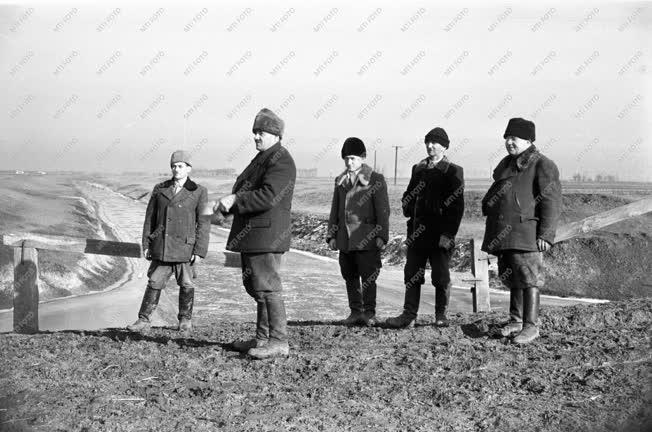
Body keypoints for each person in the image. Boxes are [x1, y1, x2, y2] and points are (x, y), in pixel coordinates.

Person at [216, 108, 296, 359]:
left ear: (275, 134)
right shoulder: (263, 158)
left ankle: (279, 341)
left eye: (260, 132)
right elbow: (247, 189)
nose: (256, 137)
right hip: (254, 235)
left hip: (266, 235)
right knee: (257, 287)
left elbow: (269, 196)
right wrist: (228, 207)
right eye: (254, 132)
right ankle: (262, 339)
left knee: (268, 287)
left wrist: (235, 199)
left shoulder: (280, 159)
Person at [481, 117, 561, 344]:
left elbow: (551, 201)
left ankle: (531, 326)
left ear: (528, 140)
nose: (509, 142)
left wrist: (546, 234)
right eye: (507, 138)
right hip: (506, 233)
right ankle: (515, 321)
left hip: (527, 233)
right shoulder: (507, 165)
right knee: (513, 278)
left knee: (529, 279)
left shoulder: (542, 164)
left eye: (514, 138)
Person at [386, 127, 464, 328]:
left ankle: (441, 315)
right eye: (427, 142)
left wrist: (448, 234)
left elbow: (456, 208)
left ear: (445, 147)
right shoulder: (418, 169)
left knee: (441, 276)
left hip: (439, 236)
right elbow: (409, 194)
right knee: (412, 274)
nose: (430, 146)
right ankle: (409, 315)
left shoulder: (453, 171)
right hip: (417, 234)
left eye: (435, 143)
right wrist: (408, 206)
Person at [128, 150, 210, 334]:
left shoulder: (199, 191)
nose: (176, 169)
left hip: (185, 249)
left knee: (187, 284)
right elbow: (150, 219)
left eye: (180, 166)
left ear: (189, 168)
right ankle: (143, 320)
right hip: (162, 246)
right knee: (154, 282)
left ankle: (185, 320)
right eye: (173, 166)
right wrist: (147, 244)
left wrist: (199, 250)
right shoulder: (160, 189)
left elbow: (204, 223)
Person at [326, 137, 390, 326]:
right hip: (345, 238)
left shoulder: (375, 179)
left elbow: (383, 211)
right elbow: (334, 209)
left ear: (363, 157)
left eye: (353, 158)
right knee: (349, 275)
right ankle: (355, 312)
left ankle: (369, 313)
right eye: (346, 158)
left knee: (368, 276)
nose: (349, 162)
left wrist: (381, 235)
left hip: (367, 237)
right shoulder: (340, 181)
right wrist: (331, 235)